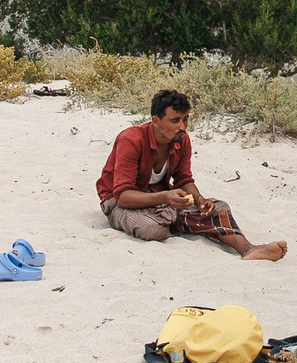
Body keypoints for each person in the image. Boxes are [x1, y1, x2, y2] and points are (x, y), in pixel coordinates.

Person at [96, 89, 286, 260]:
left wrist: (200, 200)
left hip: (160, 200)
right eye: (175, 121)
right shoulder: (131, 140)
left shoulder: (181, 140)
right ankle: (173, 220)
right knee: (153, 229)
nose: (183, 127)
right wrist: (166, 197)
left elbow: (183, 179)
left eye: (185, 119)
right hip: (119, 202)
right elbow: (122, 196)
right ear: (155, 121)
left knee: (219, 208)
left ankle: (248, 249)